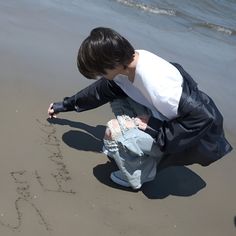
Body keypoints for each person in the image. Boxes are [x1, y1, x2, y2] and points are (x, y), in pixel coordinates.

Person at [48, 27, 232, 190]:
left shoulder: (158, 86)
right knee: (118, 99)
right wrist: (65, 105)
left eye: (101, 72)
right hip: (169, 121)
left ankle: (139, 175)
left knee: (113, 133)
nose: (102, 76)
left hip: (188, 138)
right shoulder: (127, 64)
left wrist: (155, 126)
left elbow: (203, 118)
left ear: (113, 63)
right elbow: (101, 91)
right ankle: (135, 149)